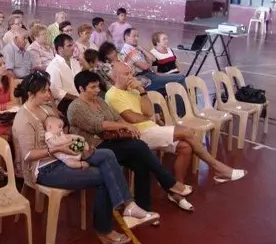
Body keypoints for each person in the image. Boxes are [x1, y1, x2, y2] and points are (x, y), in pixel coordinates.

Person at [12, 71, 159, 244]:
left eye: (48, 90)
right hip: (45, 169)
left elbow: (62, 136)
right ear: (31, 94)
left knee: (107, 154)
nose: (48, 95)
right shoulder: (23, 118)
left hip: (64, 155)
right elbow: (29, 155)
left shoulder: (46, 109)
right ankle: (106, 229)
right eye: (44, 91)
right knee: (104, 176)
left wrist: (78, 147)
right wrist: (58, 149)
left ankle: (128, 205)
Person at [69, 70, 195, 212]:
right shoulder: (76, 107)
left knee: (142, 163)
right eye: (93, 87)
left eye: (98, 86)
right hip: (92, 148)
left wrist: (126, 127)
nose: (97, 90)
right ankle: (170, 184)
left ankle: (144, 208)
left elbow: (115, 117)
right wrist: (126, 125)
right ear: (81, 89)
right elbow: (97, 125)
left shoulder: (99, 101)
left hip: (110, 142)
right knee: (139, 146)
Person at [106, 62, 247, 185]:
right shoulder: (112, 95)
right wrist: (148, 117)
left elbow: (148, 112)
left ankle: (178, 187)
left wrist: (142, 91)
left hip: (152, 129)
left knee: (185, 147)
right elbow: (133, 119)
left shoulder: (134, 91)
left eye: (131, 73)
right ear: (116, 76)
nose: (131, 77)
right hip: (138, 134)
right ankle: (218, 167)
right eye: (126, 74)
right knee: (186, 131)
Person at [121, 28, 185, 93]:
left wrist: (142, 49)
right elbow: (145, 66)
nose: (137, 38)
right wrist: (149, 64)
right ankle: (188, 101)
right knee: (180, 79)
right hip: (144, 77)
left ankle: (179, 101)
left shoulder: (136, 48)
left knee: (180, 78)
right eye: (134, 36)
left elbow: (153, 59)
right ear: (126, 37)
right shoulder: (127, 50)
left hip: (150, 74)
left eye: (137, 36)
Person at [46, 33, 82, 121]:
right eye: (69, 45)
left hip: (79, 98)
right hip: (64, 103)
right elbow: (56, 92)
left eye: (73, 44)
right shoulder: (53, 66)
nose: (73, 48)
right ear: (60, 49)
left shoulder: (75, 62)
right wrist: (78, 99)